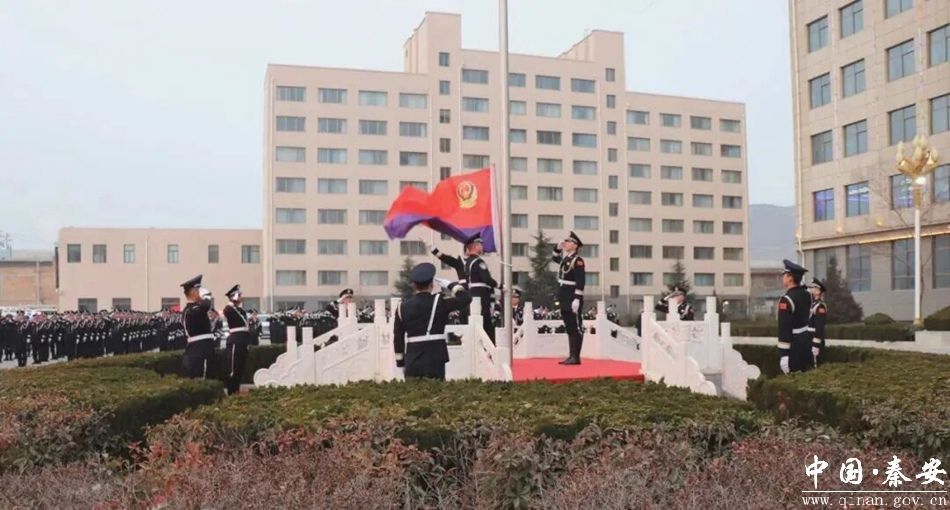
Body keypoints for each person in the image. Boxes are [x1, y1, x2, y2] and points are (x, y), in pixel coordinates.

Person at [393, 262, 471, 381]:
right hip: (435, 358)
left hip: (412, 358)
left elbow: (398, 337)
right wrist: (451, 285)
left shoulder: (402, 307)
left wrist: (400, 363)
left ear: (414, 285)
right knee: (435, 390)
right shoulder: (439, 302)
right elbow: (466, 298)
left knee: (413, 391)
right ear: (432, 284)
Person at [431, 234, 498, 343]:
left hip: (477, 295)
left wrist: (492, 300)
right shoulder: (461, 263)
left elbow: (486, 282)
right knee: (466, 321)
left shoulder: (476, 262)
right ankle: (466, 342)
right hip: (464, 294)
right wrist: (433, 249)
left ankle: (485, 343)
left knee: (484, 322)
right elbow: (445, 258)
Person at [553, 231, 585, 365]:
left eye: (568, 242)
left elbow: (580, 281)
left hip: (572, 295)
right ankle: (571, 355)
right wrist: (557, 248)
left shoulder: (578, 261)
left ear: (575, 245)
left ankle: (576, 356)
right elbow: (555, 258)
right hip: (564, 295)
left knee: (576, 326)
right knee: (569, 327)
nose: (565, 243)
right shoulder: (566, 259)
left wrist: (577, 298)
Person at [777, 259, 813, 374]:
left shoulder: (786, 300)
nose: (782, 278)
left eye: (784, 275)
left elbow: (784, 328)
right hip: (806, 341)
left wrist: (784, 354)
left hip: (793, 346)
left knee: (793, 376)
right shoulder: (808, 295)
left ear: (790, 278)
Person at [180, 274, 217, 379]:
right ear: (193, 292)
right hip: (199, 351)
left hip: (202, 349)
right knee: (202, 380)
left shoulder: (195, 309)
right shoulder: (190, 310)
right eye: (198, 290)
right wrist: (207, 296)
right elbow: (205, 306)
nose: (200, 293)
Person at [222, 284, 252, 395]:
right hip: (235, 340)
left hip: (242, 341)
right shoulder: (229, 309)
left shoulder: (239, 310)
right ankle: (231, 391)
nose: (241, 297)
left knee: (240, 368)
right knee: (233, 368)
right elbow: (228, 312)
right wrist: (233, 301)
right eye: (239, 295)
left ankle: (236, 390)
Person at [807, 278, 827, 367]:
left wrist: (816, 344)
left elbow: (819, 327)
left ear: (818, 291)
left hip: (815, 340)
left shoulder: (820, 306)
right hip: (809, 338)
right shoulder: (813, 304)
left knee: (816, 365)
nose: (811, 289)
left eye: (813, 288)